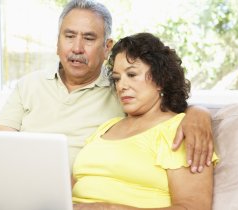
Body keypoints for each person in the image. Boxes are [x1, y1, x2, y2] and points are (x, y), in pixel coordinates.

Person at [0, 1, 213, 209]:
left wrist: (198, 114)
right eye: (69, 36)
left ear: (106, 46)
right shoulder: (30, 86)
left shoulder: (119, 95)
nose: (77, 48)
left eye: (89, 38)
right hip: (17, 189)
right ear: (57, 42)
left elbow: (165, 105)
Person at [72, 32, 218, 210]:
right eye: (117, 79)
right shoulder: (106, 127)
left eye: (132, 75)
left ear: (160, 79)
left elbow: (194, 207)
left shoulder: (181, 130)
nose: (121, 86)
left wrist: (108, 208)